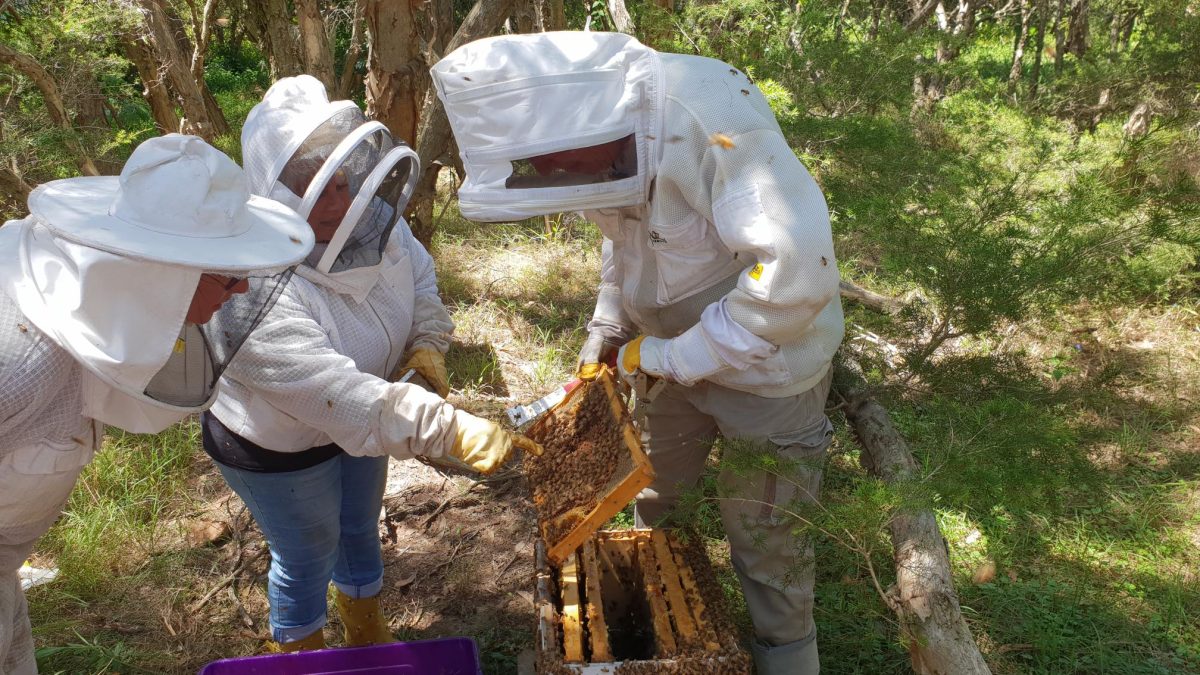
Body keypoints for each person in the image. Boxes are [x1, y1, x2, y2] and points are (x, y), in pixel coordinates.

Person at [431, 32, 845, 674]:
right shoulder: (589, 142)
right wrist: (607, 335)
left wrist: (669, 358)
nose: (552, 176)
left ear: (592, 119)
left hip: (770, 370)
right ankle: (653, 611)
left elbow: (796, 277)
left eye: (554, 162)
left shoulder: (711, 121)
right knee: (652, 501)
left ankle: (785, 655)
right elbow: (623, 245)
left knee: (769, 548)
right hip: (664, 362)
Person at [206, 75, 540, 654]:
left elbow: (420, 280)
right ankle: (304, 656)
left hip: (373, 422)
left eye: (341, 182)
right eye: (312, 189)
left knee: (359, 529)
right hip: (279, 446)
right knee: (307, 552)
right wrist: (449, 428)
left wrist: (427, 342)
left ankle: (365, 634)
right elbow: (336, 394)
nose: (335, 203)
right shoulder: (247, 291)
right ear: (274, 194)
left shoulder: (375, 224)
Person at [0, 134, 317, 674]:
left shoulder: (90, 310)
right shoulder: (17, 360)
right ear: (157, 272)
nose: (240, 291)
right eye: (226, 273)